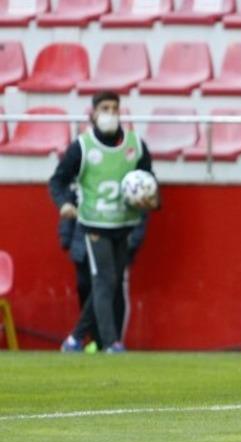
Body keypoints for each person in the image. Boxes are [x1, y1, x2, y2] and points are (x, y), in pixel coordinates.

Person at [49, 91, 159, 353]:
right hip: (94, 224)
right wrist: (64, 203)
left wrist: (153, 201)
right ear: (93, 113)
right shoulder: (82, 147)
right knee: (105, 279)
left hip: (124, 224)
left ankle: (75, 338)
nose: (110, 113)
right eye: (104, 108)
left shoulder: (136, 145)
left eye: (114, 108)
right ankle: (111, 343)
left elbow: (150, 182)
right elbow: (58, 180)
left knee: (110, 280)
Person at [58, 210, 148, 350]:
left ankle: (96, 340)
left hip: (119, 235)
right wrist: (66, 234)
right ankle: (100, 341)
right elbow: (67, 194)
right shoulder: (89, 193)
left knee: (106, 285)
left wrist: (133, 239)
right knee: (98, 285)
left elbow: (141, 204)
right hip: (90, 234)